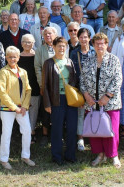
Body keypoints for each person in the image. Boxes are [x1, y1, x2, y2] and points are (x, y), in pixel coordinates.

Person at [80, 33, 122, 168]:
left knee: (111, 129)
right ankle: (100, 155)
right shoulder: (88, 61)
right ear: (93, 45)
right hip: (92, 104)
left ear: (106, 44)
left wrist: (107, 96)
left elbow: (117, 79)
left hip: (110, 103)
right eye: (97, 43)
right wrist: (86, 95)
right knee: (95, 130)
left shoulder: (114, 60)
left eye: (102, 43)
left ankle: (114, 155)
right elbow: (82, 80)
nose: (100, 46)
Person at [0, 46, 35, 170]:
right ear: (6, 58)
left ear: (18, 58)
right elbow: (2, 93)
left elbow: (28, 90)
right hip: (8, 108)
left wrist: (24, 106)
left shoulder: (23, 72)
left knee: (27, 131)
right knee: (6, 133)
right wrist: (14, 107)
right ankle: (3, 159)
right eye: (10, 56)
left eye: (15, 57)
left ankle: (26, 156)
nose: (12, 59)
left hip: (22, 108)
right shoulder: (4, 72)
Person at [43, 37, 78, 165]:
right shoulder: (49, 63)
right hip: (56, 100)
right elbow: (45, 85)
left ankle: (70, 155)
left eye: (64, 46)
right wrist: (47, 103)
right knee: (57, 129)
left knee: (71, 128)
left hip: (70, 100)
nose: (61, 48)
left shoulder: (70, 62)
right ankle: (57, 156)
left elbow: (75, 81)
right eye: (59, 46)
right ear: (54, 47)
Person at [70, 28, 95, 152]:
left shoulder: (95, 52)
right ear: (78, 38)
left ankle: (94, 135)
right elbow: (72, 71)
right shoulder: (74, 53)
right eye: (81, 37)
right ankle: (80, 138)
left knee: (92, 112)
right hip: (80, 87)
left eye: (86, 37)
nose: (84, 40)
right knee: (80, 114)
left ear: (89, 38)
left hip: (94, 88)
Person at [34, 26, 58, 146]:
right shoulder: (40, 50)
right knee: (45, 110)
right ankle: (44, 134)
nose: (48, 36)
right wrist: (41, 84)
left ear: (55, 34)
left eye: (50, 33)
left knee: (58, 110)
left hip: (59, 86)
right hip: (45, 85)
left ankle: (56, 133)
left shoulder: (61, 47)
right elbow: (37, 67)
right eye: (45, 34)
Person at [17, 34, 41, 144]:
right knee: (22, 110)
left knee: (33, 110)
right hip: (20, 88)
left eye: (30, 42)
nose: (28, 44)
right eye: (25, 42)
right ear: (21, 43)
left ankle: (32, 131)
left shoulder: (37, 55)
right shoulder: (17, 56)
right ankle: (23, 132)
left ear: (33, 44)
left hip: (35, 87)